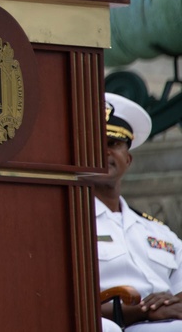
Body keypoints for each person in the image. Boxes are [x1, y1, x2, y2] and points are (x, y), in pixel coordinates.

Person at [96, 93, 182, 331]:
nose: (104, 152)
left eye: (113, 144)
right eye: (95, 144)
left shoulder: (158, 231)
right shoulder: (69, 223)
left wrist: (173, 301)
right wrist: (146, 311)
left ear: (128, 159)